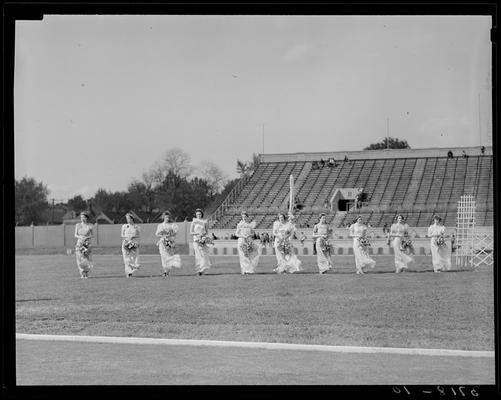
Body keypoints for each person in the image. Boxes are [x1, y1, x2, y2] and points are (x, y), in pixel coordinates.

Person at [155, 211, 181, 277]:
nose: (167, 218)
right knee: (163, 257)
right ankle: (165, 271)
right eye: (166, 217)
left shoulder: (172, 225)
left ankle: (167, 271)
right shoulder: (160, 225)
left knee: (169, 256)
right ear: (163, 217)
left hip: (170, 242)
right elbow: (157, 234)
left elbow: (175, 233)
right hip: (162, 242)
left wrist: (170, 234)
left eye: (168, 217)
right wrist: (163, 235)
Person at [190, 208, 211, 275]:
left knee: (204, 255)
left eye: (200, 214)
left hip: (203, 239)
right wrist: (197, 234)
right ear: (195, 215)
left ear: (201, 214)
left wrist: (203, 236)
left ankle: (203, 270)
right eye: (197, 214)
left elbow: (207, 231)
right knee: (198, 255)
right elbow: (191, 232)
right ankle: (199, 270)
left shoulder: (205, 221)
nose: (198, 215)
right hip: (196, 240)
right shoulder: (194, 222)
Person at [74, 211, 94, 279]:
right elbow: (75, 234)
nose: (82, 218)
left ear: (86, 218)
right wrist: (80, 237)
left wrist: (87, 238)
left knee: (87, 259)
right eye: (81, 217)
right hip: (79, 243)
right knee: (80, 259)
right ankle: (82, 273)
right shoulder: (78, 225)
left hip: (87, 243)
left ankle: (86, 273)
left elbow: (92, 235)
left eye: (83, 217)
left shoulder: (90, 225)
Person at [121, 213, 141, 278]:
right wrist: (127, 238)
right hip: (126, 242)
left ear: (132, 219)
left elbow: (138, 235)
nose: (127, 220)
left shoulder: (136, 226)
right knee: (126, 258)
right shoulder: (124, 226)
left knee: (133, 258)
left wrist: (133, 237)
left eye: (129, 218)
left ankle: (131, 271)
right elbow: (122, 235)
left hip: (134, 243)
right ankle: (128, 273)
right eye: (126, 218)